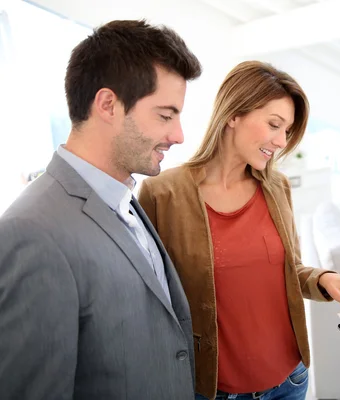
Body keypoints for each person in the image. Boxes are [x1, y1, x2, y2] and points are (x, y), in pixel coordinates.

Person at [137, 60, 340, 400]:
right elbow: (152, 301)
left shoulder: (277, 186)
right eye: (274, 124)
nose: (282, 140)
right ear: (233, 114)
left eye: (287, 130)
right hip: (212, 389)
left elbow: (289, 269)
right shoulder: (162, 193)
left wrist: (324, 280)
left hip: (289, 381)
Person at [0, 20, 202, 399]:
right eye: (165, 115)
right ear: (108, 104)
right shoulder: (31, 232)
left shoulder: (125, 197)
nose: (178, 135)